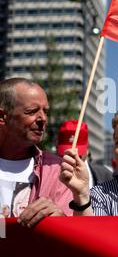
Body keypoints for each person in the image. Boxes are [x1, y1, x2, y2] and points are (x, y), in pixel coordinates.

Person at [0, 77, 73, 227]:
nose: (43, 119)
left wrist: (61, 219)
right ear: (2, 117)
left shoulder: (58, 171)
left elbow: (77, 233)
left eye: (45, 111)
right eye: (32, 111)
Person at [56, 119, 113, 187]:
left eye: (79, 155)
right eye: (66, 153)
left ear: (87, 149)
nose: (72, 158)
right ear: (57, 148)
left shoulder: (106, 176)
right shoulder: (47, 174)